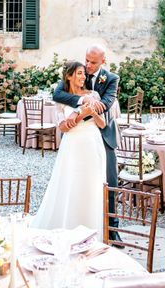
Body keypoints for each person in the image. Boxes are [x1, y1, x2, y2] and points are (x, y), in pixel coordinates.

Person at [52, 44, 121, 242]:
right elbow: (58, 95)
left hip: (102, 134)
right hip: (78, 137)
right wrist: (82, 102)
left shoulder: (111, 79)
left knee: (109, 182)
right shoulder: (76, 71)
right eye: (87, 60)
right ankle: (74, 222)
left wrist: (92, 105)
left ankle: (111, 229)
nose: (88, 66)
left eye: (93, 62)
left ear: (103, 61)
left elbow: (106, 104)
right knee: (76, 181)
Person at [31, 61, 107, 234]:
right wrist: (81, 114)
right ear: (69, 76)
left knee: (92, 186)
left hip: (92, 145)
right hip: (73, 147)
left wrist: (93, 113)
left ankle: (91, 232)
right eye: (79, 73)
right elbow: (64, 127)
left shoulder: (93, 94)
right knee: (71, 185)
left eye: (84, 73)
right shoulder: (61, 99)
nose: (83, 77)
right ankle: (68, 230)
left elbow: (102, 124)